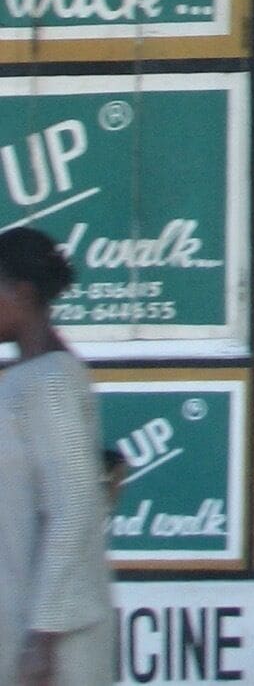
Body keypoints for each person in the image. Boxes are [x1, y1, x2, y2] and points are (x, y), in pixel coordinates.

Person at [0, 226, 111, 686]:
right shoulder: (29, 376)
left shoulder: (49, 381)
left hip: (50, 644)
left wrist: (41, 639)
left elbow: (73, 510)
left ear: (22, 293)